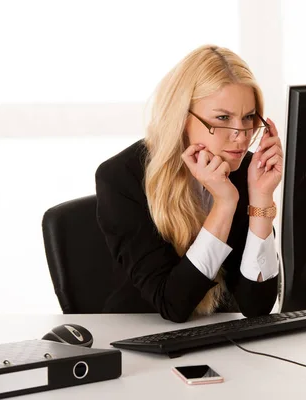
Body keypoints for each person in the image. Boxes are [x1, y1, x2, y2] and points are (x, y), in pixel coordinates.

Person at [95, 44, 282, 323]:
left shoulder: (248, 171)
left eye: (247, 118)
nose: (241, 136)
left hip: (216, 339)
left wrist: (261, 200)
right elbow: (173, 306)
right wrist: (224, 204)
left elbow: (257, 306)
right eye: (222, 118)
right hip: (138, 336)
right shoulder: (122, 176)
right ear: (183, 117)